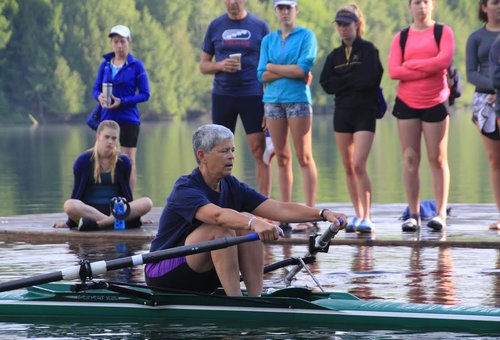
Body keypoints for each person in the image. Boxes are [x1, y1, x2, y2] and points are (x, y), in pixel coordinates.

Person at [144, 124, 347, 296]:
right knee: (224, 229)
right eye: (224, 151)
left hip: (203, 272)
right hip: (163, 273)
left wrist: (322, 214)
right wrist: (253, 222)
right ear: (202, 155)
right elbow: (217, 215)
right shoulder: (186, 188)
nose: (231, 156)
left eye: (232, 150)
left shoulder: (232, 186)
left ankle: (255, 299)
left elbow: (279, 209)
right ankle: (237, 303)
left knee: (247, 223)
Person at [388, 0, 454, 232]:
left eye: (425, 2)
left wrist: (413, 65)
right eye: (417, 2)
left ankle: (440, 213)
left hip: (436, 101)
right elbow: (394, 71)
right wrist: (429, 65)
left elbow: (444, 61)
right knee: (410, 158)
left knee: (437, 158)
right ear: (410, 6)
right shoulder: (401, 37)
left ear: (432, 5)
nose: (421, 6)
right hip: (407, 103)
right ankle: (413, 213)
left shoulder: (442, 32)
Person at [319, 4, 383, 234]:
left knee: (359, 164)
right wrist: (350, 79)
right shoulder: (334, 55)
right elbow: (326, 83)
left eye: (347, 24)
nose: (343, 29)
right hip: (342, 113)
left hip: (364, 112)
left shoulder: (368, 50)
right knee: (347, 166)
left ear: (357, 25)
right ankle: (357, 214)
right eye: (340, 25)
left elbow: (370, 79)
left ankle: (367, 216)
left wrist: (343, 80)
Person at [257, 0, 318, 233]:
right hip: (272, 102)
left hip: (298, 100)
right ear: (276, 11)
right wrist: (284, 70)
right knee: (282, 157)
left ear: (296, 10)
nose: (284, 12)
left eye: (288, 8)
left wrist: (274, 67)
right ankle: (285, 215)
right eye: (280, 8)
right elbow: (261, 74)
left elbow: (303, 69)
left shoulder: (306, 36)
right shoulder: (268, 40)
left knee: (304, 156)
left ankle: (312, 213)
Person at [199, 0, 272, 197]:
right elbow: (204, 65)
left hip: (253, 95)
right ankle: (217, 201)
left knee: (260, 152)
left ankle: (265, 205)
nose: (232, 2)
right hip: (223, 96)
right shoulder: (215, 26)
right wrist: (221, 66)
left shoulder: (260, 26)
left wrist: (268, 106)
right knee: (217, 154)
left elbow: (270, 66)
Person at [53, 120, 153, 231]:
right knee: (69, 205)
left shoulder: (124, 161)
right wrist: (69, 222)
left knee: (147, 202)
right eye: (107, 137)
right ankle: (116, 222)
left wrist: (133, 214)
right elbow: (76, 193)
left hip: (116, 210)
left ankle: (100, 225)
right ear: (98, 136)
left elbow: (127, 195)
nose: (110, 141)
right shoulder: (83, 161)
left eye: (114, 138)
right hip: (90, 212)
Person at [92, 25, 150, 192]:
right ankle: (103, 200)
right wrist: (99, 97)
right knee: (102, 157)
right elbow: (95, 89)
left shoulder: (136, 66)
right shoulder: (105, 65)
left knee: (128, 160)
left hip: (128, 118)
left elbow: (145, 94)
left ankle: (128, 203)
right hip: (107, 118)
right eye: (116, 42)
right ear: (111, 43)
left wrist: (122, 101)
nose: (119, 46)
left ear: (129, 42)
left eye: (122, 42)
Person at [467, 0, 500, 230]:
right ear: (484, 7)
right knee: (494, 160)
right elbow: (470, 73)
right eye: (495, 2)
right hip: (485, 101)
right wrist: (494, 88)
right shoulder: (476, 38)